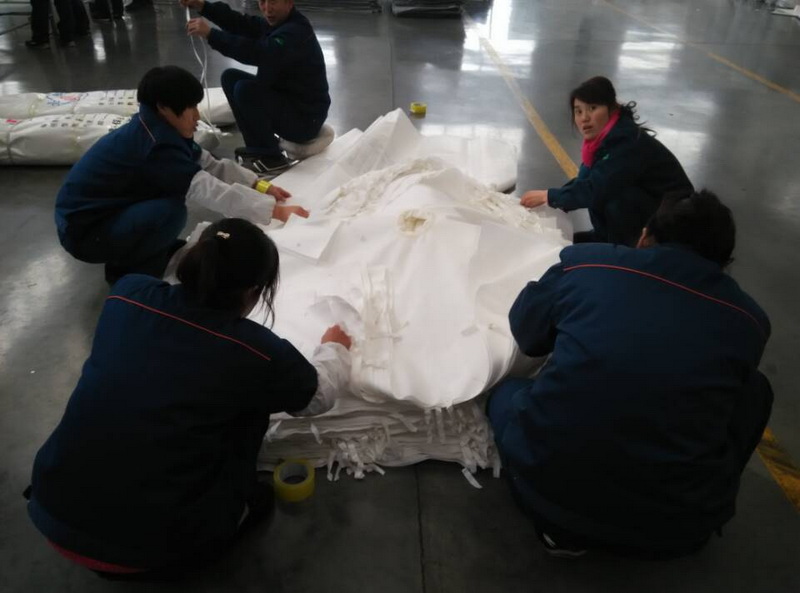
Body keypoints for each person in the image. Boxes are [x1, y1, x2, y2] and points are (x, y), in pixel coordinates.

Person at [27, 217, 353, 575]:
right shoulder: (256, 351)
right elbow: (318, 397)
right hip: (152, 550)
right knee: (250, 417)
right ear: (253, 292)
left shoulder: (127, 293)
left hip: (51, 510)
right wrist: (334, 349)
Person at [488, 190, 773, 559]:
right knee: (754, 390)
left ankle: (565, 528)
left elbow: (528, 335)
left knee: (506, 395)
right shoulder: (748, 321)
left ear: (644, 236)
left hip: (550, 497)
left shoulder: (588, 266)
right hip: (677, 528)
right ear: (725, 263)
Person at [55, 65, 308, 284]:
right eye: (190, 108)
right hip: (85, 232)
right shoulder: (156, 145)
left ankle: (142, 249)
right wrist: (274, 211)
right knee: (171, 211)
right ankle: (127, 272)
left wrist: (259, 185)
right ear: (164, 108)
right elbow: (208, 190)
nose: (197, 116)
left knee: (169, 201)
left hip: (102, 215)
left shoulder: (158, 127)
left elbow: (210, 164)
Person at [520, 76, 693, 246]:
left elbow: (596, 188)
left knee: (612, 194)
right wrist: (555, 201)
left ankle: (626, 251)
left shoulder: (627, 142)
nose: (584, 118)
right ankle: (607, 239)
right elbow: (586, 181)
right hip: (651, 213)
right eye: (578, 111)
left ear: (612, 108)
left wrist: (548, 196)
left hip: (672, 225)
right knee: (571, 240)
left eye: (592, 108)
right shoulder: (602, 143)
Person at [183, 0, 330, 174]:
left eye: (273, 2)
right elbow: (241, 23)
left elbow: (258, 52)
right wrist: (202, 6)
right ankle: (257, 149)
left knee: (246, 90)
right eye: (262, 2)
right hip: (290, 104)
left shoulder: (295, 31)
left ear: (289, 3)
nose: (267, 9)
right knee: (230, 78)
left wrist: (211, 34)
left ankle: (271, 157)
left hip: (305, 119)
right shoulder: (277, 24)